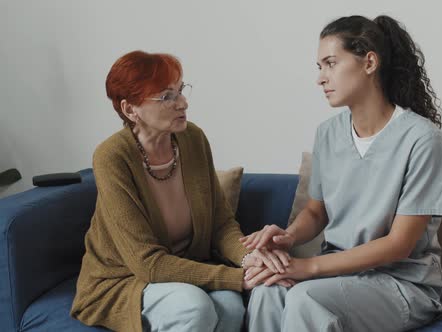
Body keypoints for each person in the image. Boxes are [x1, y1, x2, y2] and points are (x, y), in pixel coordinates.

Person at [241, 15, 442, 332]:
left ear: (369, 62)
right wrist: (290, 237)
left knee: (306, 299)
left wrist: (309, 266)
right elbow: (316, 211)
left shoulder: (422, 140)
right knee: (268, 289)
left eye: (330, 63)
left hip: (400, 282)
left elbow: (398, 245)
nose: (321, 78)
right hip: (337, 273)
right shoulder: (328, 134)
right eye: (319, 67)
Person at [70, 50, 291, 332]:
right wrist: (240, 277)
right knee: (193, 307)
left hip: (188, 266)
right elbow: (147, 264)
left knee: (231, 308)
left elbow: (221, 225)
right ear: (130, 110)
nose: (183, 103)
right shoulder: (112, 156)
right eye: (166, 97)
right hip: (125, 278)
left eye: (180, 90)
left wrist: (249, 258)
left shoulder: (193, 139)